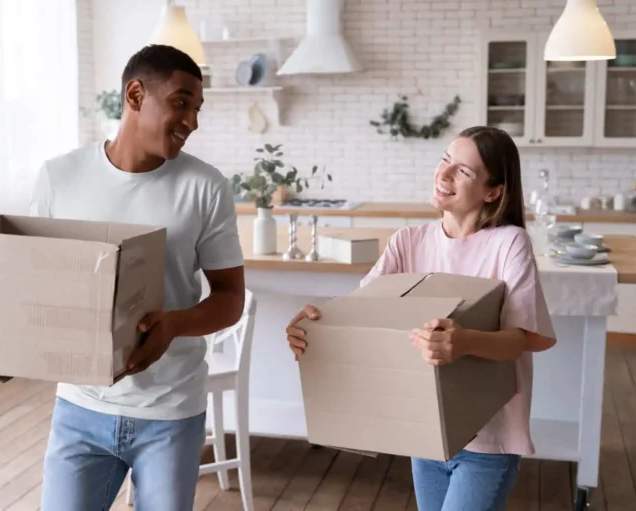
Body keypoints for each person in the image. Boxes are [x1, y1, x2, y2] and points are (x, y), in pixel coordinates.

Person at [285, 126, 557, 510]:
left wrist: (464, 341)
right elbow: (360, 315)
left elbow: (523, 338)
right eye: (445, 160)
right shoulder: (408, 242)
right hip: (425, 431)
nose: (444, 174)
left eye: (463, 171)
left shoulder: (509, 243)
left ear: (493, 191)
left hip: (489, 439)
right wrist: (314, 326)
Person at [30, 44, 246, 511]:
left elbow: (231, 297)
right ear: (134, 94)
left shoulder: (205, 188)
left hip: (170, 413)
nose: (192, 121)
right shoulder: (58, 179)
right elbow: (36, 288)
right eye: (181, 102)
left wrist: (172, 325)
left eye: (197, 109)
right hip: (80, 407)